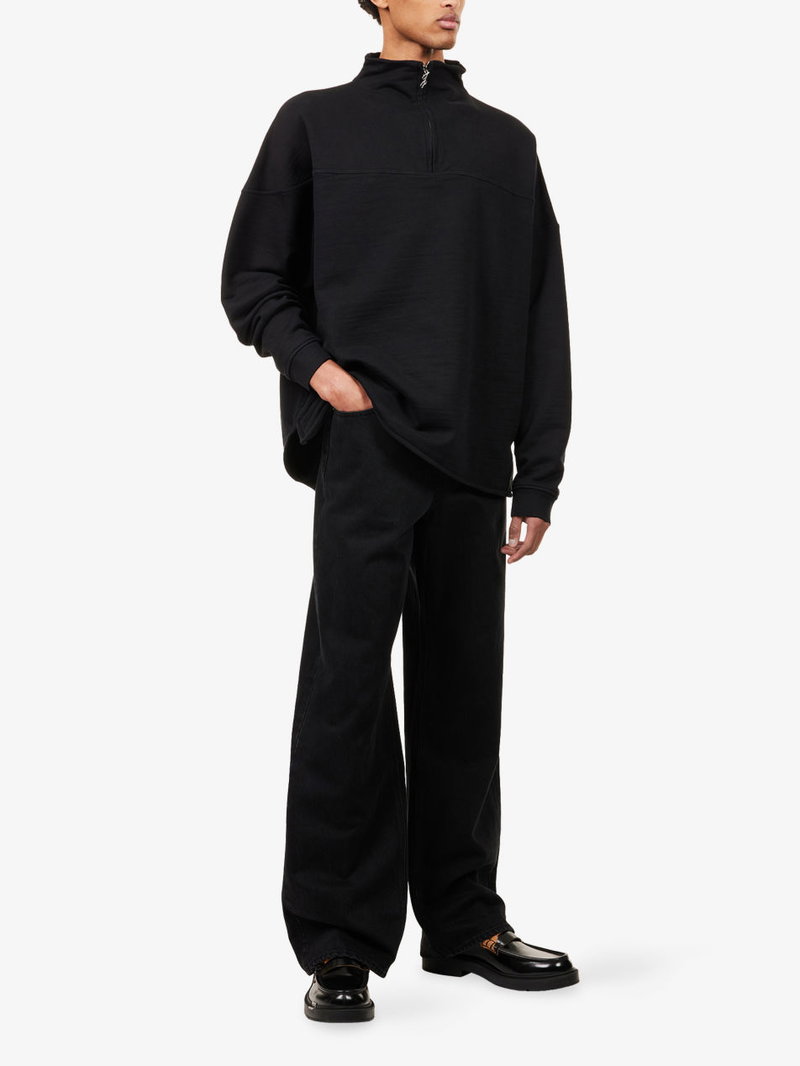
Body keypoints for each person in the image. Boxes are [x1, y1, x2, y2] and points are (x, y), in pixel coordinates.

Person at [220, 0, 578, 1022]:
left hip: (474, 455)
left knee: (464, 691)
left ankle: (462, 921)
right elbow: (251, 278)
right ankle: (340, 944)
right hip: (365, 445)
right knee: (347, 691)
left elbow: (540, 309)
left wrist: (539, 473)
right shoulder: (313, 123)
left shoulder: (505, 145)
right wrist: (319, 371)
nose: (453, 0)